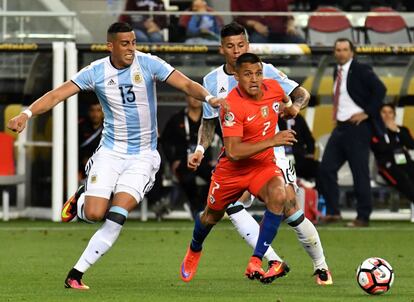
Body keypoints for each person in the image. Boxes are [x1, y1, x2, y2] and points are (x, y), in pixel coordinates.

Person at [7, 22, 225, 290]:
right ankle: (82, 200)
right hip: (111, 152)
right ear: (110, 46)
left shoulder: (148, 63)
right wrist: (26, 114)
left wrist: (210, 98)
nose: (131, 48)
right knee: (95, 212)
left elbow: (186, 84)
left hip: (144, 155)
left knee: (117, 215)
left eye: (133, 42)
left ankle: (76, 274)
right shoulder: (96, 71)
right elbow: (56, 95)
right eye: (125, 43)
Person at [182, 22, 332, 285]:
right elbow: (208, 122)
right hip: (236, 155)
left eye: (241, 45)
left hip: (271, 154)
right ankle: (266, 257)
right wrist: (200, 149)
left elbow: (301, 94)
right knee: (218, 210)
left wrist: (294, 107)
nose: (237, 51)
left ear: (248, 46)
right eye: (231, 46)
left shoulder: (267, 72)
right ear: (222, 49)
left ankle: (320, 267)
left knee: (288, 205)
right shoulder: (212, 82)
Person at [318, 38, 386, 228]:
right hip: (340, 128)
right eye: (338, 49)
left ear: (352, 52)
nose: (341, 53)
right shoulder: (336, 71)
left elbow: (381, 90)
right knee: (326, 168)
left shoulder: (361, 70)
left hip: (357, 129)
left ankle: (363, 216)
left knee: (359, 173)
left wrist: (367, 113)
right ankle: (333, 211)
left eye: (344, 49)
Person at [161, 94, 217, 219]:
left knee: (216, 177)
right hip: (183, 161)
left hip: (204, 161)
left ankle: (203, 205)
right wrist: (173, 161)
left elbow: (224, 138)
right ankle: (196, 209)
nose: (195, 98)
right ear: (186, 97)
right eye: (192, 95)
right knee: (187, 178)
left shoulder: (209, 119)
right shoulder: (177, 118)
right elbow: (165, 141)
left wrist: (218, 160)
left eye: (198, 96)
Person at [371, 103, 414, 222]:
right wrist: (386, 132)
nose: (387, 115)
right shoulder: (375, 131)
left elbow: (411, 144)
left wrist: (397, 131)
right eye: (383, 112)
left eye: (390, 112)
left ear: (394, 115)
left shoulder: (402, 129)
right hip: (386, 165)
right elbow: (380, 148)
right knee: (403, 179)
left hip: (404, 162)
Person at [231, 0, 305, 44]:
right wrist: (254, 24)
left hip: (281, 31)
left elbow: (288, 16)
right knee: (256, 43)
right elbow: (237, 17)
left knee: (300, 42)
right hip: (257, 33)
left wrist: (290, 25)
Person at [278, 114, 319, 181]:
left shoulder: (299, 118)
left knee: (318, 168)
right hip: (281, 156)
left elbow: (309, 139)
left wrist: (310, 153)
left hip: (299, 155)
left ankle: (314, 190)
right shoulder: (275, 119)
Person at [78, 101, 104, 181]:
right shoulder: (80, 127)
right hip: (81, 170)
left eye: (98, 110)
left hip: (101, 168)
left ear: (103, 113)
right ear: (88, 112)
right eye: (92, 110)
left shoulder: (108, 128)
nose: (95, 114)